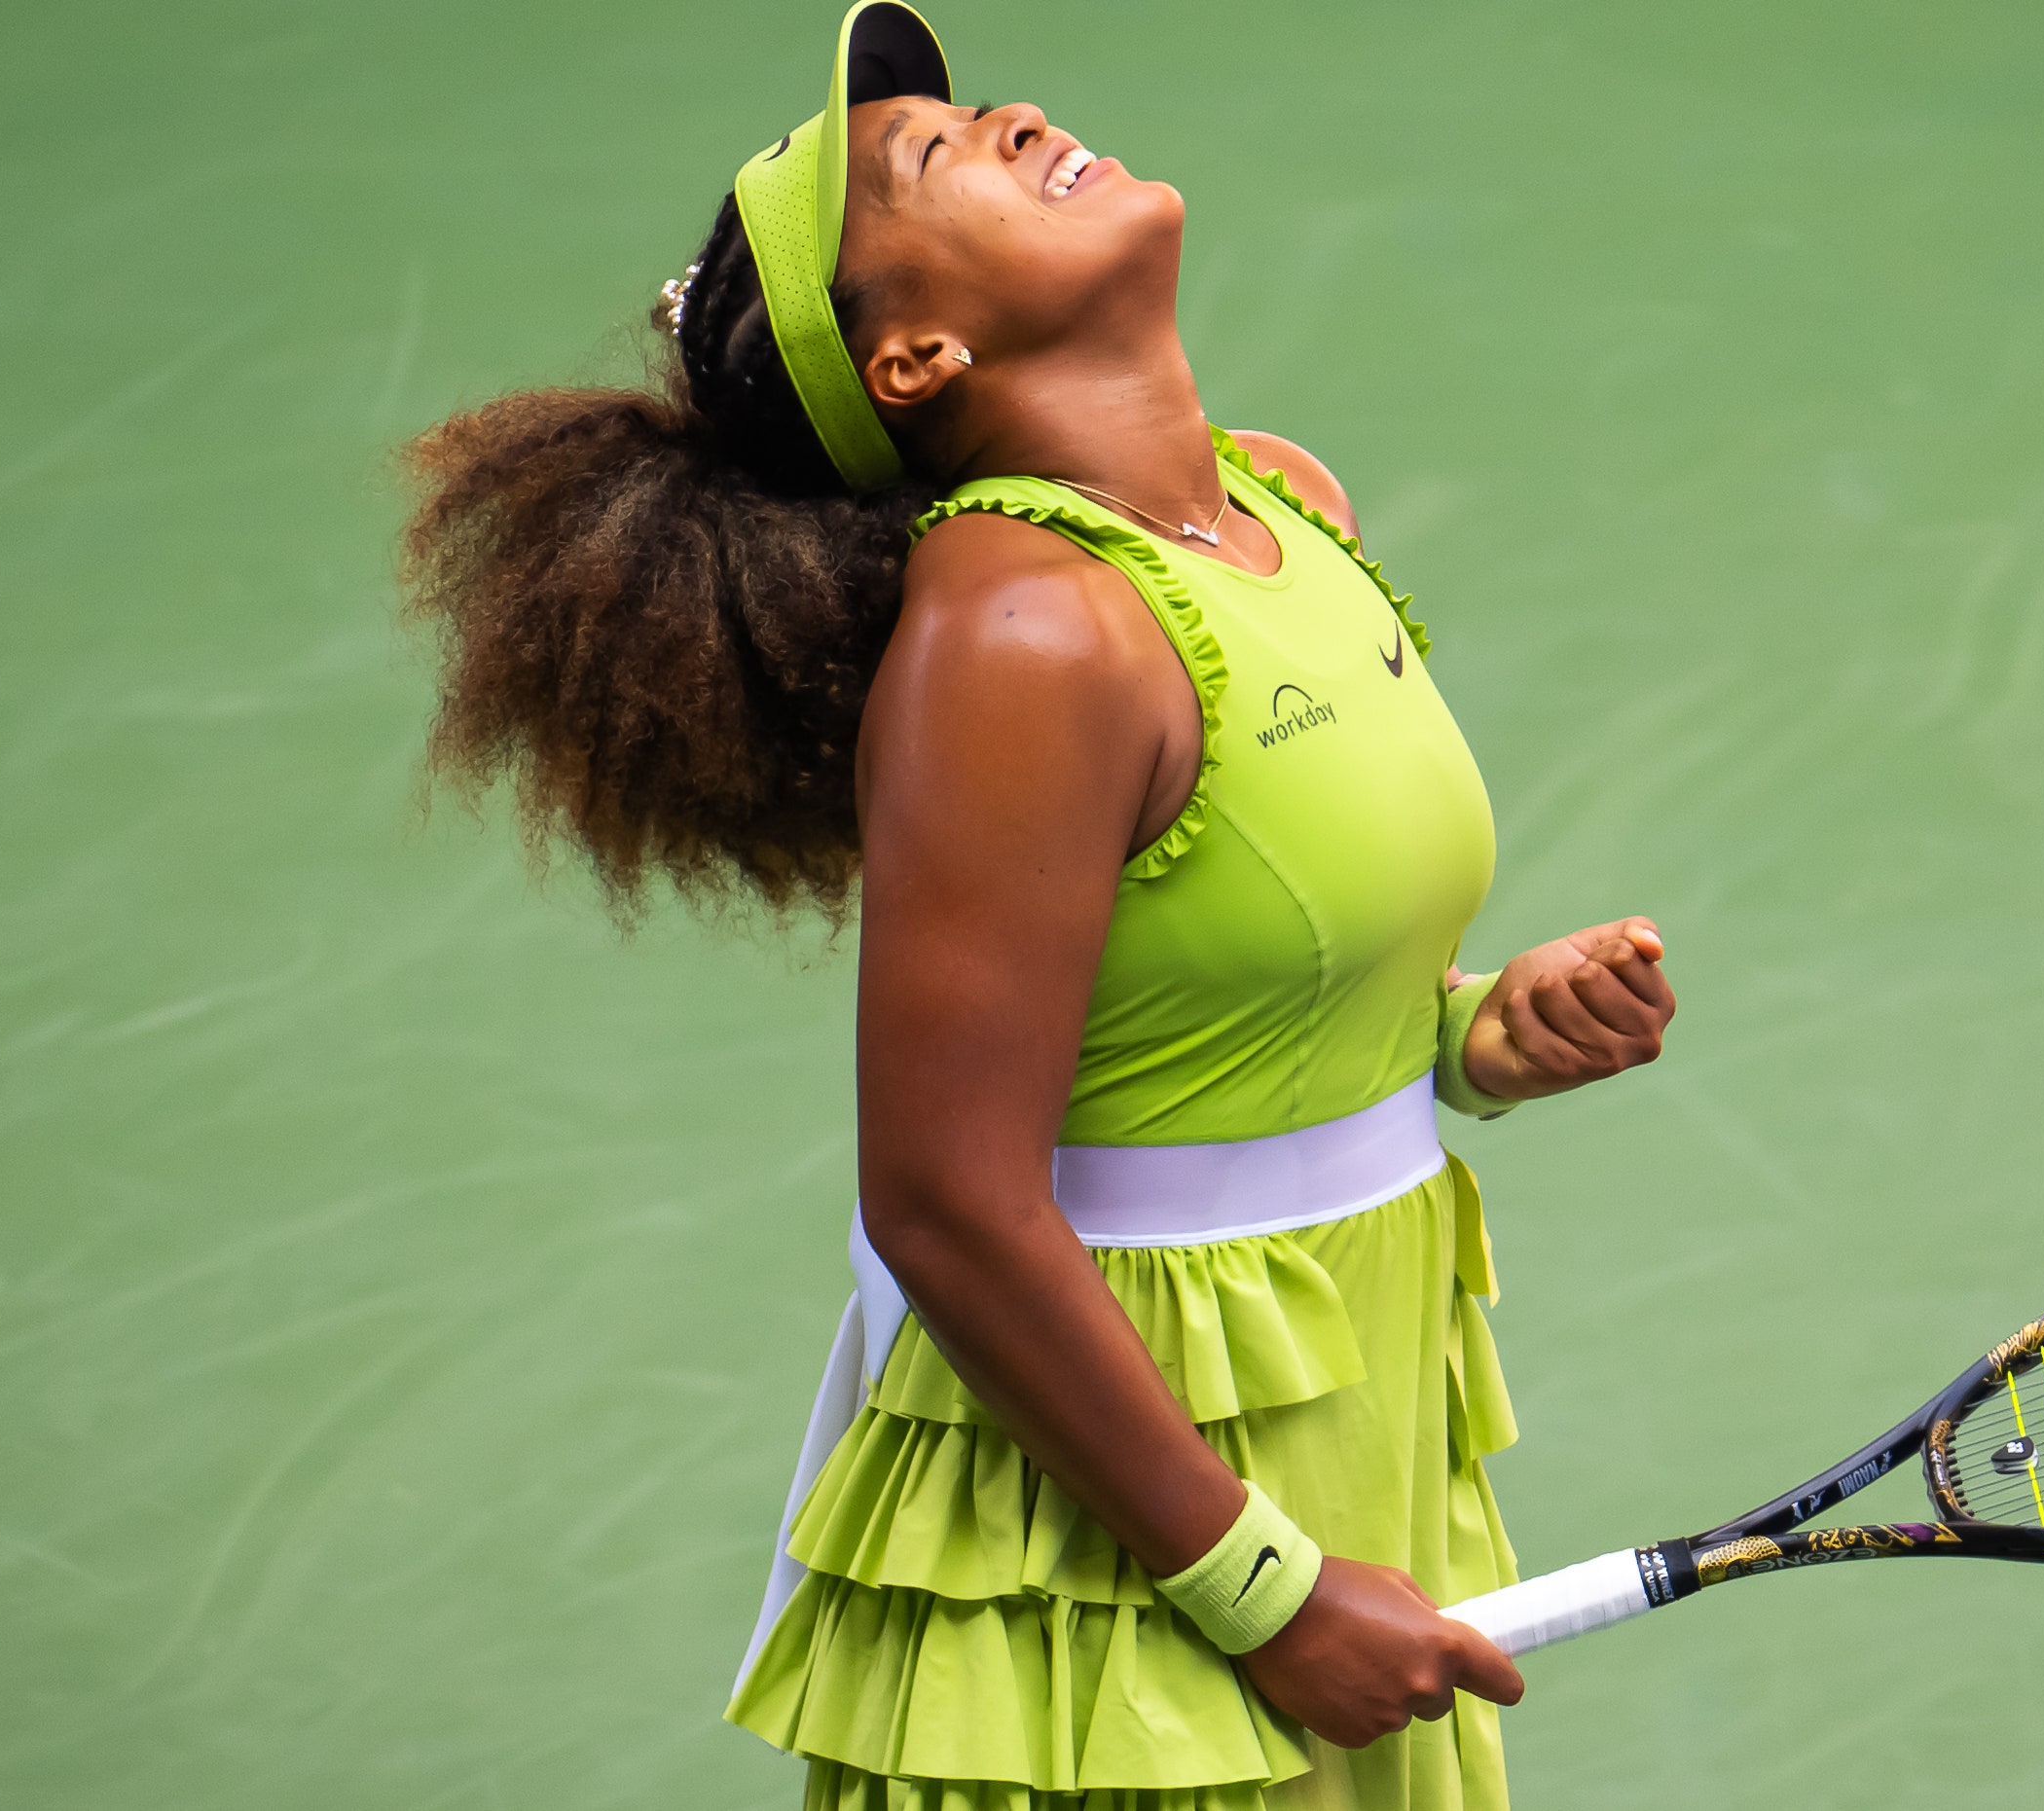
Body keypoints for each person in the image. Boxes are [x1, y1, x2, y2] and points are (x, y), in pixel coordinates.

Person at [397, 7, 1676, 1805]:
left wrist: (1474, 1029)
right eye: (935, 156)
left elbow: (1230, 963)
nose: (1011, 117)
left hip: (1354, 1375)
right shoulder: (1025, 634)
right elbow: (941, 1198)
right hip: (1127, 1492)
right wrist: (1258, 1582)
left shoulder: (1275, 502)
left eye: (970, 110)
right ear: (913, 355)